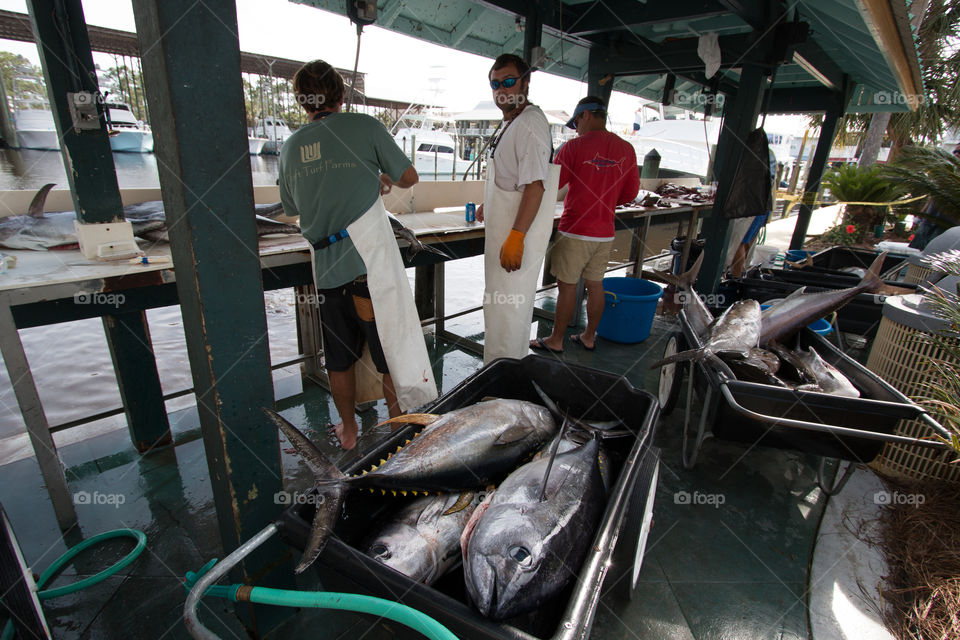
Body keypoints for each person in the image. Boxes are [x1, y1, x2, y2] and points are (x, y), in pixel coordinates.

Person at [279, 60, 437, 450]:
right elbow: (408, 178)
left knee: (339, 359)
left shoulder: (290, 147)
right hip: (371, 271)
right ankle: (401, 431)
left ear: (302, 102)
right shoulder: (365, 126)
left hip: (328, 274)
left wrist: (356, 180)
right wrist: (378, 176)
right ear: (341, 95)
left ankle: (348, 430)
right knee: (391, 355)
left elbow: (291, 206)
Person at [528, 96, 639, 352]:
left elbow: (550, 184)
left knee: (566, 288)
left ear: (586, 115)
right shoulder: (626, 149)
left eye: (576, 121)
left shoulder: (573, 147)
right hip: (605, 232)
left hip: (575, 229)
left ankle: (556, 340)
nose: (576, 127)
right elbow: (631, 193)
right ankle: (589, 336)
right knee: (595, 285)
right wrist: (608, 201)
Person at [476, 53, 560, 364]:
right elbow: (515, 179)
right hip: (502, 239)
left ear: (525, 82)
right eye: (495, 84)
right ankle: (497, 379)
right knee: (499, 312)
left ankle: (506, 392)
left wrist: (517, 236)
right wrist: (492, 201)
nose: (502, 89)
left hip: (513, 243)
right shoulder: (510, 123)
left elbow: (535, 187)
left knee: (510, 316)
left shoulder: (530, 123)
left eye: (509, 82)